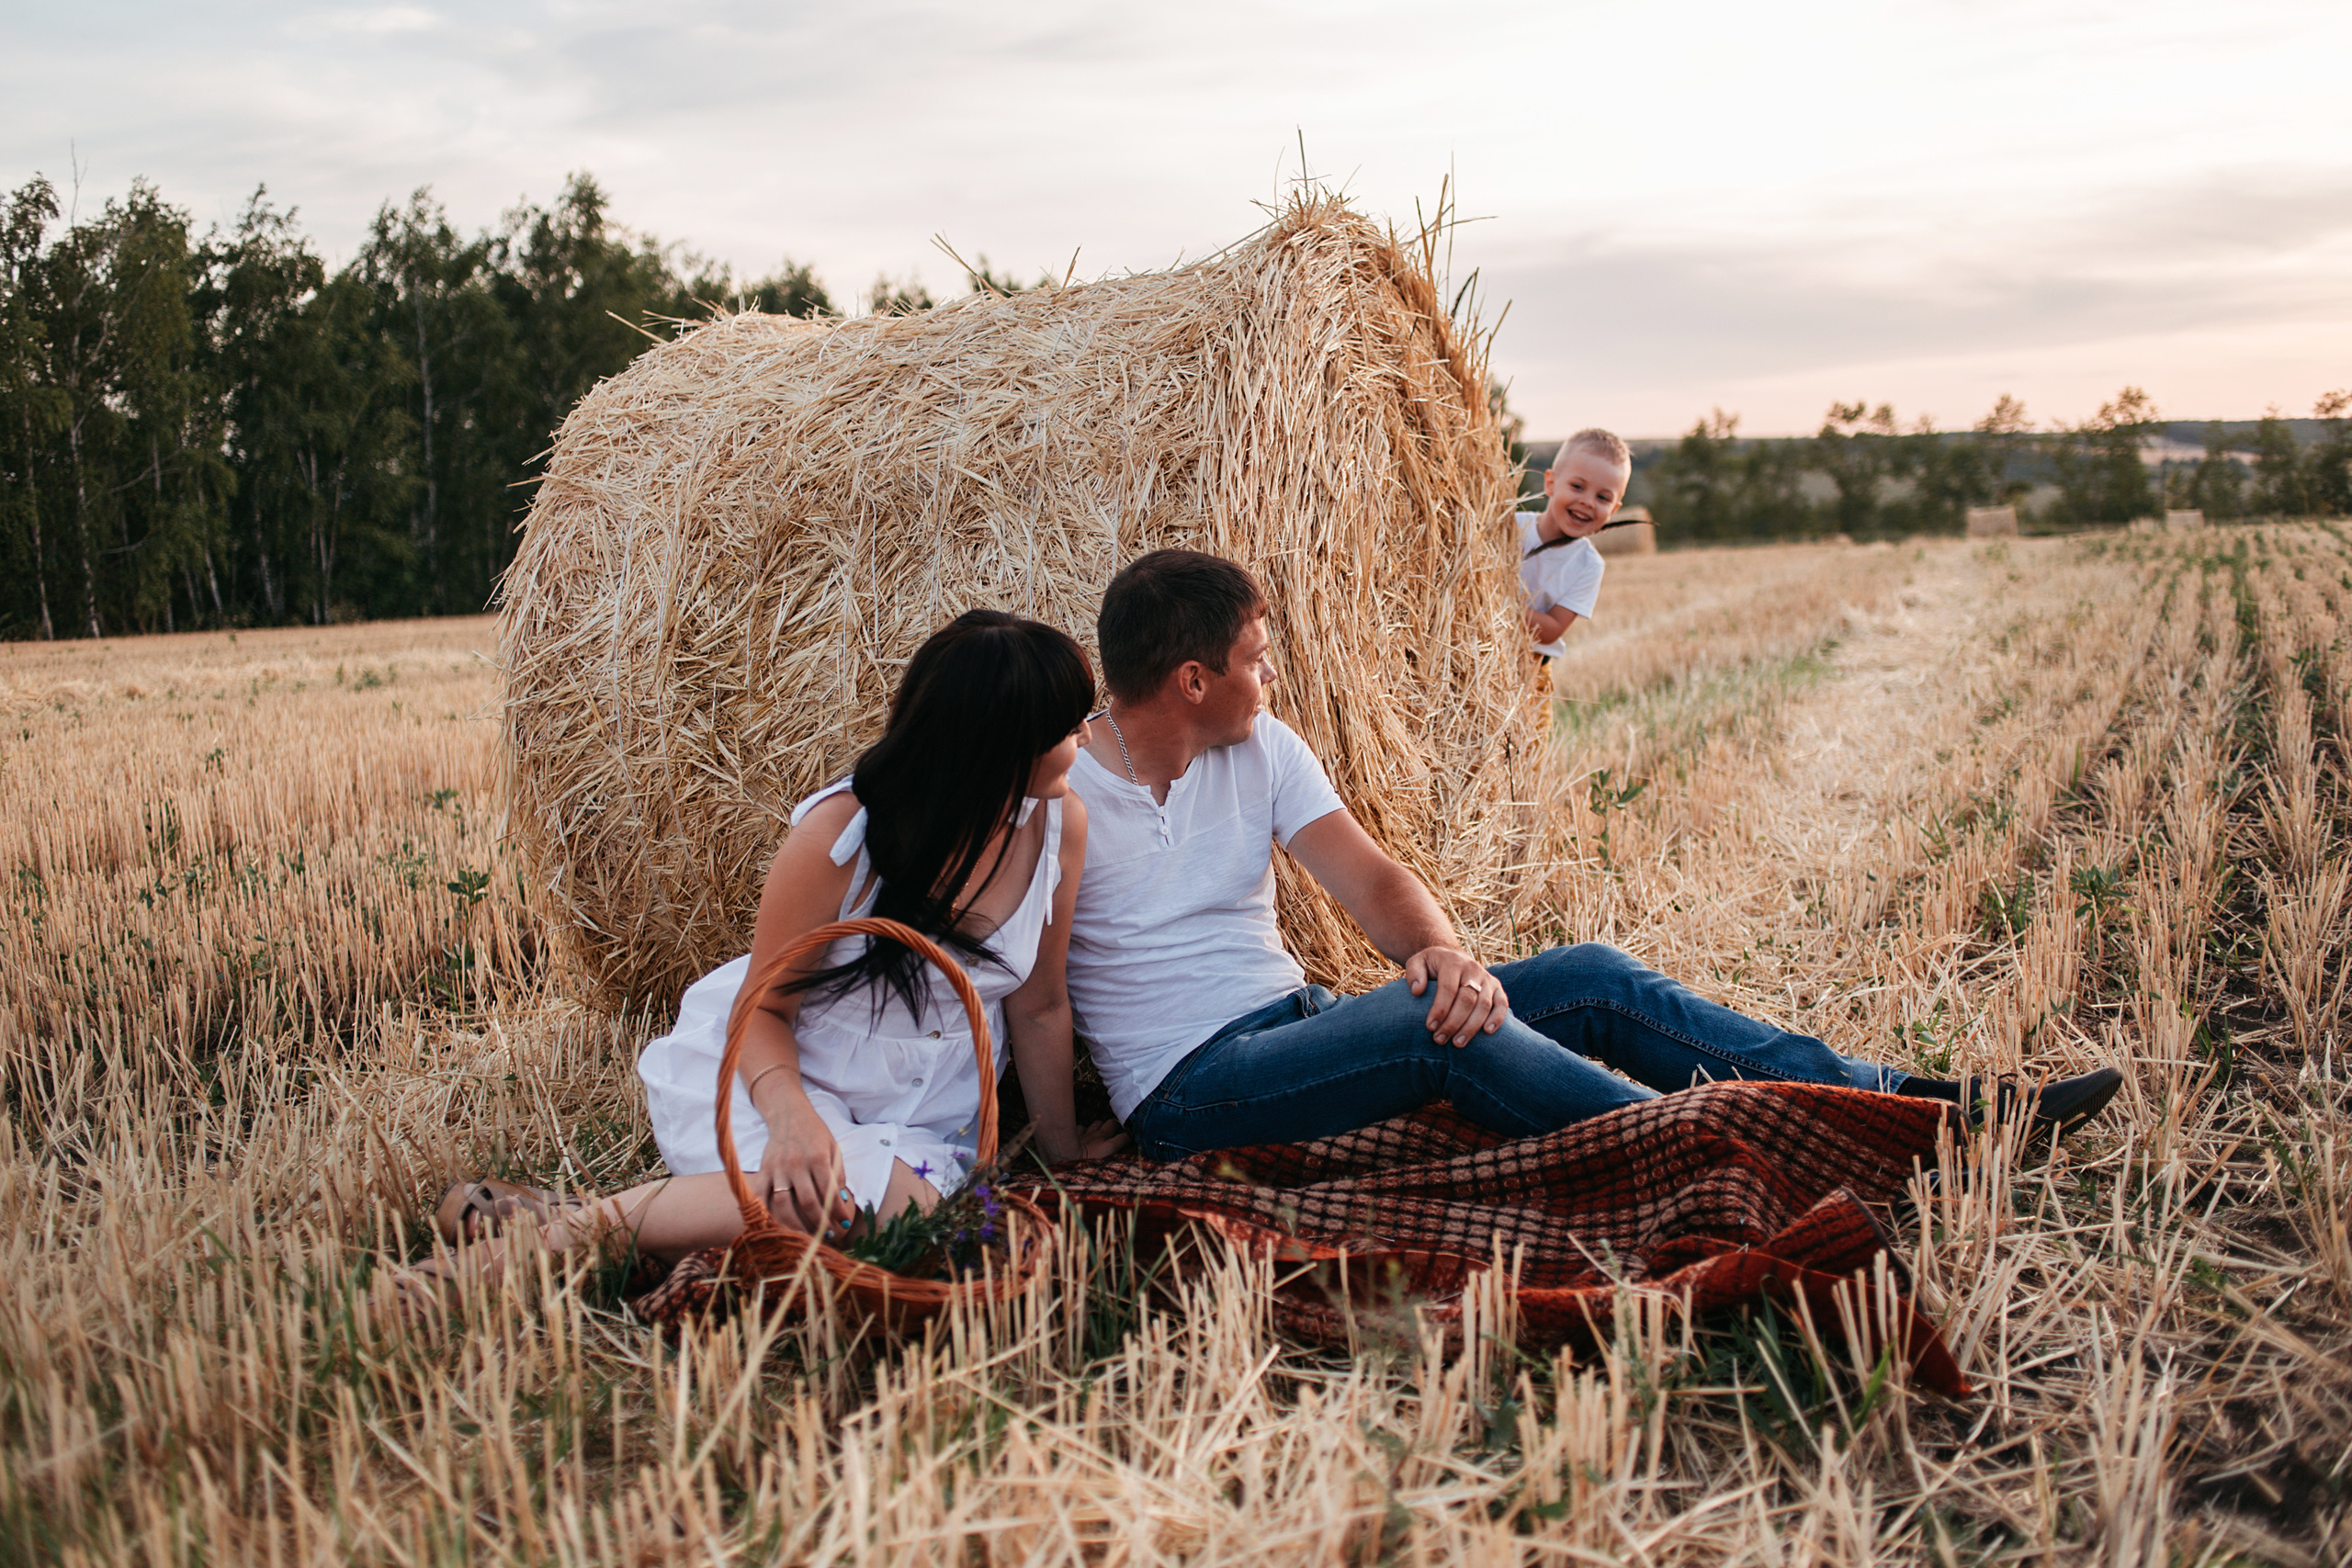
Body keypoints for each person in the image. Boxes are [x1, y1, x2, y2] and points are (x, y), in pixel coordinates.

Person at [1066, 548, 2121, 1161]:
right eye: (1257, 660)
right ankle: (1747, 1154)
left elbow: (1372, 878)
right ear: (1193, 680)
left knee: (1590, 977)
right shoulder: (1063, 794)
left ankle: (1897, 1101)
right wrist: (1064, 1141)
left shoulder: (1260, 749)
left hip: (1297, 1025)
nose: (1275, 676)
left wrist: (1445, 957)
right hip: (1192, 1086)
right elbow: (1029, 991)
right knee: (1440, 1036)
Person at [422, 610, 1127, 1281]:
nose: (1088, 738)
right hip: (782, 1078)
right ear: (998, 744)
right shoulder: (841, 837)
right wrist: (793, 1122)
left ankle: (584, 1218)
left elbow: (1039, 1004)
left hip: (921, 1119)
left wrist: (1062, 1156)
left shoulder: (1059, 824)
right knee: (830, 1205)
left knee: (923, 1230)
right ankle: (566, 1239)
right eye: (1067, 726)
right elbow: (762, 1008)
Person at [1520, 428, 1630, 659]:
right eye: (1577, 487)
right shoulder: (1511, 527)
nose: (1587, 502)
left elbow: (1551, 630)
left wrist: (1497, 604)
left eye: (1603, 498)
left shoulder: (1588, 565)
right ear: (1550, 483)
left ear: (1614, 510)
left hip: (1528, 669)